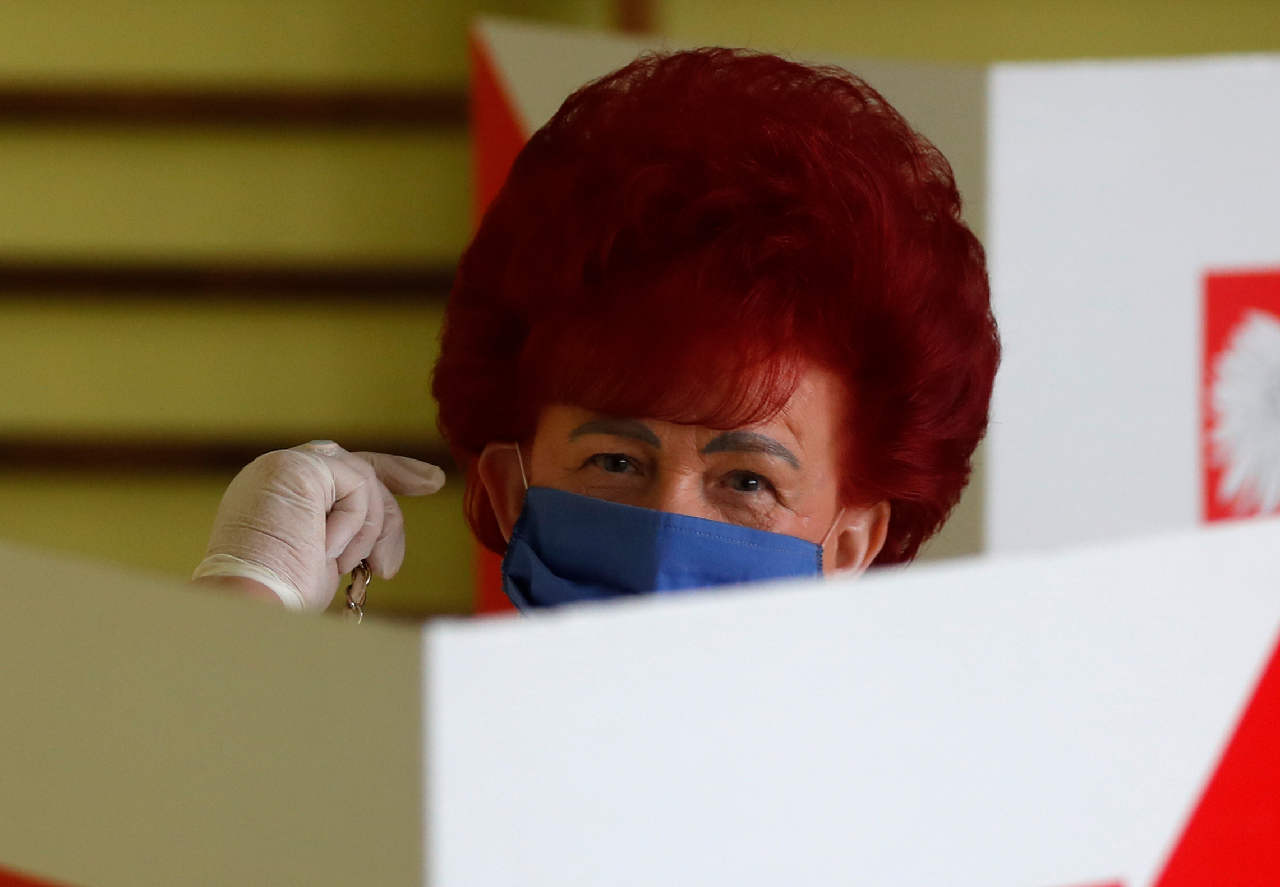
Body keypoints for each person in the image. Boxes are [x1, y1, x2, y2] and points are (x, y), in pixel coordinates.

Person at [192, 48, 998, 613]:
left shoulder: (924, 824)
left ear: (852, 545)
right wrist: (247, 597)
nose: (663, 535)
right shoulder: (408, 772)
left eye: (748, 481)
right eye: (614, 461)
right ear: (511, 494)